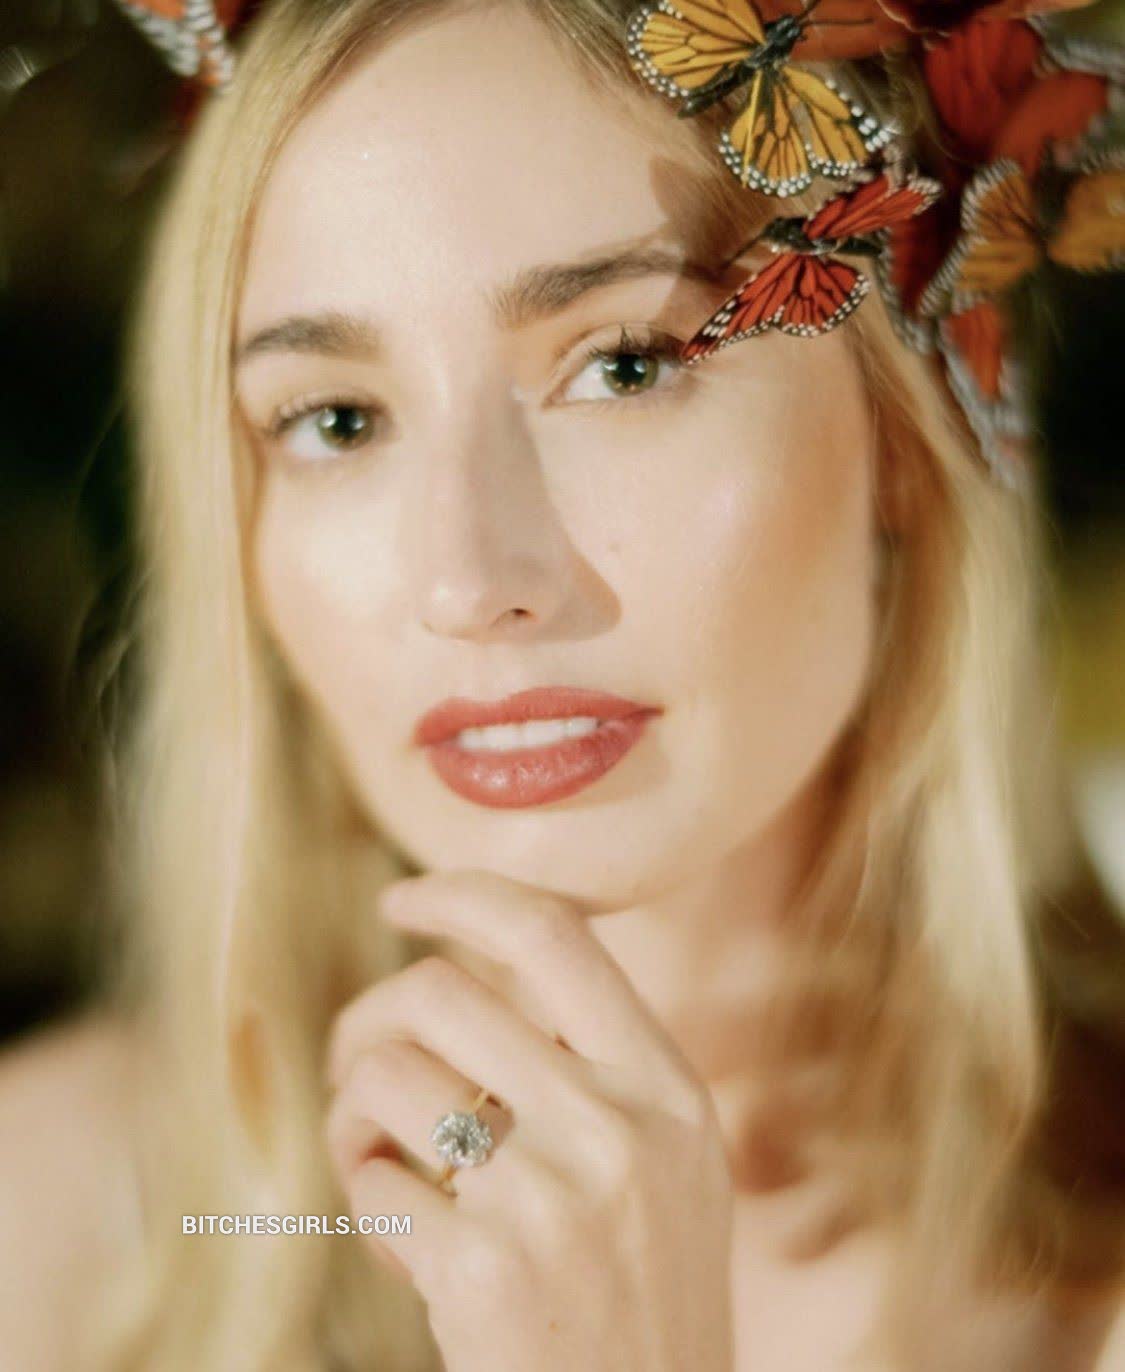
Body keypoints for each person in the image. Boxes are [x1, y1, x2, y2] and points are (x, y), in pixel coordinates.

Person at [1, 0, 1124, 1367]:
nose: (470, 580)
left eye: (625, 365)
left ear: (903, 426)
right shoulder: (53, 1226)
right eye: (337, 420)